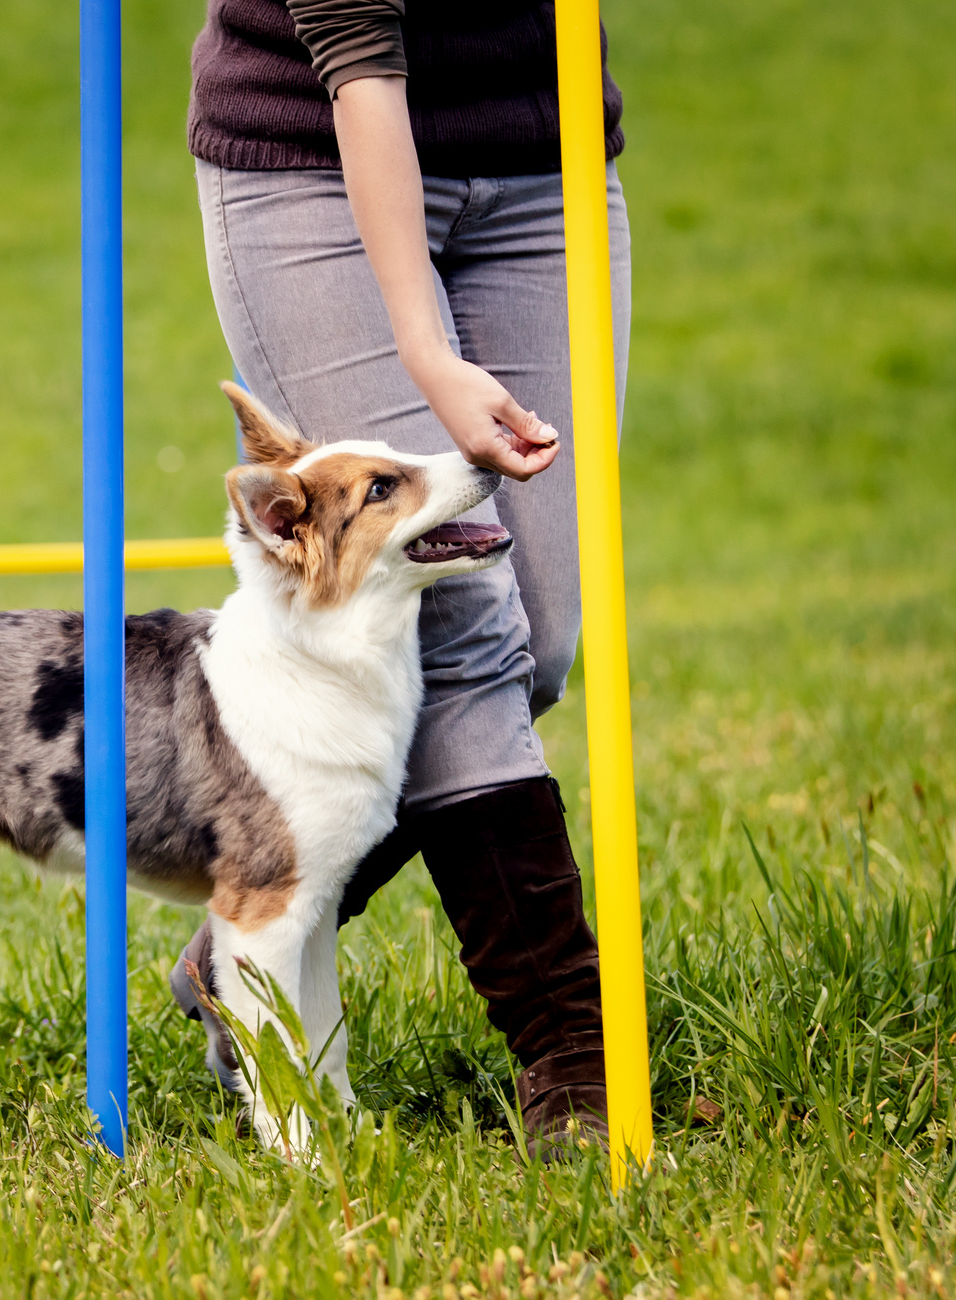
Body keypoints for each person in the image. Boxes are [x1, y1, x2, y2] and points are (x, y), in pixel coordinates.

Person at [168, 0, 633, 1157]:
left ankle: (249, 937)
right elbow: (361, 59)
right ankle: (573, 1068)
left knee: (543, 639)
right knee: (468, 629)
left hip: (543, 157)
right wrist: (430, 356)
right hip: (315, 159)